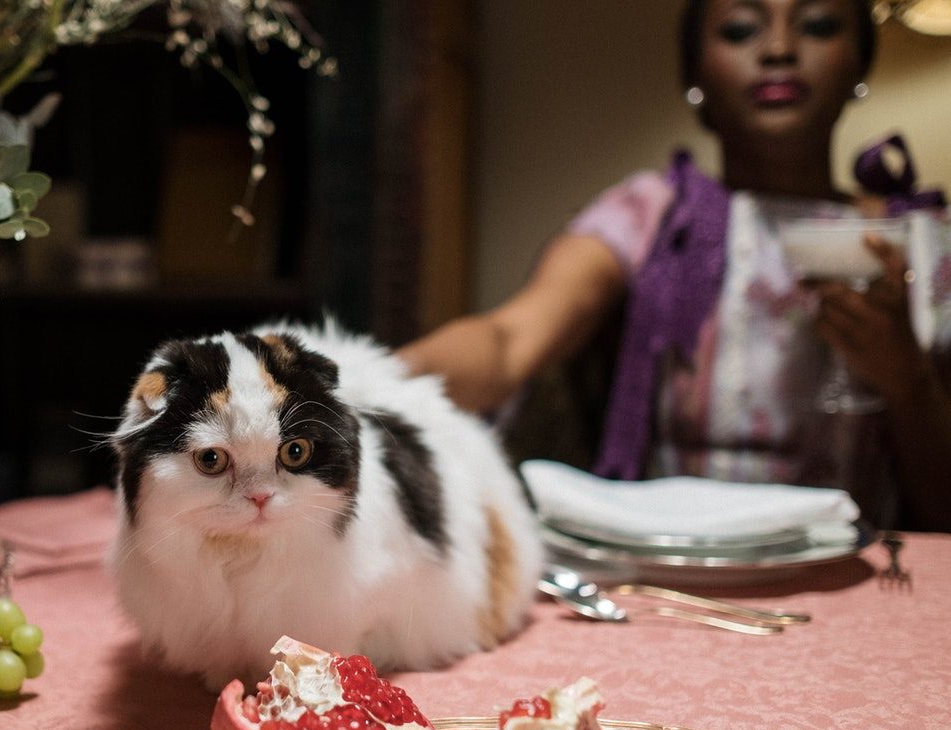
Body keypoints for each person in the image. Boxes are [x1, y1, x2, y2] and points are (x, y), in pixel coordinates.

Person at [401, 0, 951, 531]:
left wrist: (907, 383)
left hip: (858, 585)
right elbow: (507, 340)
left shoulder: (917, 243)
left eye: (818, 25)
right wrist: (364, 379)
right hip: (676, 572)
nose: (779, 49)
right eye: (740, 29)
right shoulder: (657, 218)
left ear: (861, 62)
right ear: (695, 75)